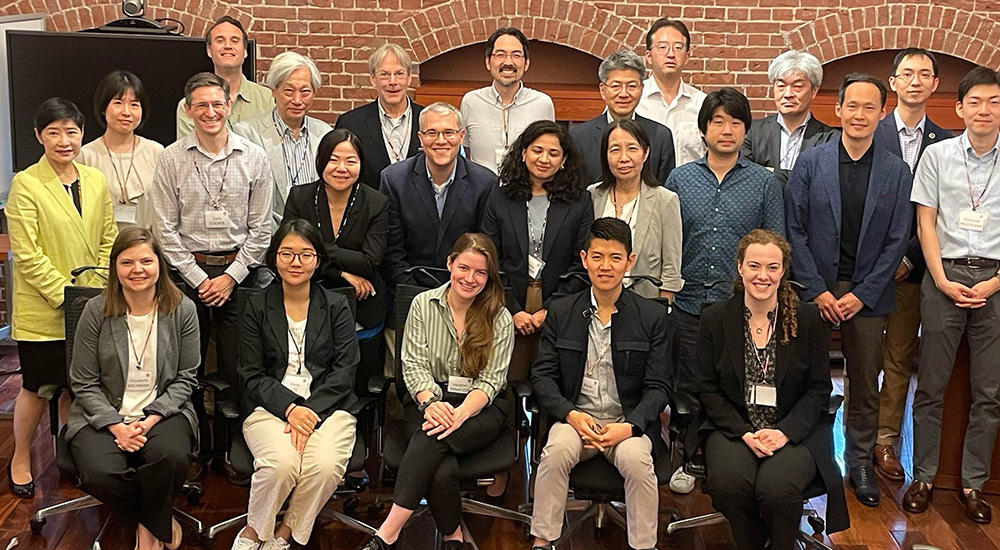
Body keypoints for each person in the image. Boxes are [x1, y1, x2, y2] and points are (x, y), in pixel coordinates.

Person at [785, 73, 913, 508]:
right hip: (813, 290)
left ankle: (859, 461)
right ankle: (806, 456)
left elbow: (898, 239)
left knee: (864, 382)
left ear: (882, 112)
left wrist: (862, 292)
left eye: (869, 107)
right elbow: (794, 229)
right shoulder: (811, 162)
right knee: (805, 378)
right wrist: (817, 290)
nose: (859, 115)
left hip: (868, 293)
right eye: (851, 106)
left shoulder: (896, 171)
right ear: (837, 110)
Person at [359, 233, 515, 550]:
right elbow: (413, 365)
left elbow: (491, 381)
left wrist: (460, 414)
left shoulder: (500, 316)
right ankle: (453, 537)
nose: (471, 279)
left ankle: (386, 534)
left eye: (481, 272)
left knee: (431, 438)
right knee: (441, 470)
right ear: (449, 264)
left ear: (490, 275)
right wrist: (431, 402)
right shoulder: (422, 304)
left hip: (481, 408)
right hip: (428, 401)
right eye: (464, 268)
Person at [695, 229, 849, 550]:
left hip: (794, 429)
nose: (762, 276)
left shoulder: (807, 319)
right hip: (734, 427)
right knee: (728, 485)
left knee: (777, 489)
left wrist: (784, 432)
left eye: (772, 267)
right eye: (754, 266)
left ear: (783, 271)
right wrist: (744, 432)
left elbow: (819, 390)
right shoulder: (715, 319)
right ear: (740, 267)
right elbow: (707, 389)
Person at [665, 87, 784, 494]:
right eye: (718, 121)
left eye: (736, 122)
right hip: (687, 299)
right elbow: (667, 240)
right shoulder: (679, 179)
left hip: (740, 307)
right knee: (687, 383)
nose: (727, 129)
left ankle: (728, 456)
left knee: (731, 383)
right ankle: (689, 454)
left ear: (746, 130)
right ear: (703, 129)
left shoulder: (763, 183)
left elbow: (775, 242)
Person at [529, 217, 670, 550]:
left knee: (638, 462)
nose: (605, 266)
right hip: (577, 419)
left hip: (626, 424)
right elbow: (543, 376)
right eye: (597, 256)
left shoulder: (651, 316)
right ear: (584, 259)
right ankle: (541, 541)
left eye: (615, 258)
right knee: (555, 452)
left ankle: (644, 545)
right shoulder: (561, 311)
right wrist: (571, 415)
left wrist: (631, 426)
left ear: (630, 262)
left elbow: (660, 386)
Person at [903, 66, 1000, 525]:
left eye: (994, 102)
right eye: (975, 102)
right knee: (932, 386)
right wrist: (941, 280)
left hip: (996, 283)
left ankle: (973, 484)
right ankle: (923, 477)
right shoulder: (937, 156)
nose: (984, 110)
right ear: (959, 108)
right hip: (943, 278)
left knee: (989, 392)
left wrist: (994, 284)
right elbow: (926, 222)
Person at [6, 97, 117, 498]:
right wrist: (68, 296)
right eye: (53, 132)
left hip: (91, 301)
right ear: (39, 136)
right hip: (45, 307)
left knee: (79, 385)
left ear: (82, 134)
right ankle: (20, 456)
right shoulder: (26, 182)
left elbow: (109, 236)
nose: (64, 140)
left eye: (71, 131)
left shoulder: (95, 179)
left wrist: (96, 288)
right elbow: (28, 253)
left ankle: (69, 455)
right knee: (38, 385)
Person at [231, 219, 361, 550]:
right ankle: (254, 531)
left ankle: (284, 533)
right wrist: (290, 408)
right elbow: (250, 372)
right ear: (274, 257)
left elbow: (346, 370)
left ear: (318, 260)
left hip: (329, 408)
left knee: (325, 465)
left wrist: (308, 411)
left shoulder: (336, 306)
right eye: (287, 253)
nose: (296, 262)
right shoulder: (256, 305)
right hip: (269, 406)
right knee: (281, 464)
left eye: (305, 254)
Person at [66, 227, 198, 550]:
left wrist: (150, 419)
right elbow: (83, 381)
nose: (137, 270)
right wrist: (117, 427)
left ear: (159, 265)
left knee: (171, 456)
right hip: (103, 414)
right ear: (115, 268)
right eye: (127, 262)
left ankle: (146, 531)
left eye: (145, 261)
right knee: (99, 472)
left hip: (164, 412)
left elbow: (186, 378)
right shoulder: (95, 311)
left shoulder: (183, 310)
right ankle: (158, 521)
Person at [152, 71, 272, 398]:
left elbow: (261, 230)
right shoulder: (170, 159)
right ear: (188, 110)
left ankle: (231, 441)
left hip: (238, 273)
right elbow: (164, 228)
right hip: (184, 275)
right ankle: (192, 438)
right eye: (201, 105)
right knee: (183, 366)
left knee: (239, 366)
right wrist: (199, 280)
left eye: (217, 104)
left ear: (229, 105)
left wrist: (230, 278)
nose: (210, 112)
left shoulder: (254, 157)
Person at [872, 48, 952, 481]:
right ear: (894, 82)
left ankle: (886, 443)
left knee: (899, 358)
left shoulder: (947, 143)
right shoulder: (870, 131)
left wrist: (907, 257)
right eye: (907, 74)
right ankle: (858, 437)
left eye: (925, 74)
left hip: (915, 268)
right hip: (866, 269)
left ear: (936, 85)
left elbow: (942, 212)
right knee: (863, 360)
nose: (916, 81)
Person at [482, 119, 593, 381]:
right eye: (537, 150)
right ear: (523, 153)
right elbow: (489, 257)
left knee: (552, 378)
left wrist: (551, 310)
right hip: (508, 299)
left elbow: (582, 262)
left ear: (564, 159)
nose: (544, 158)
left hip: (560, 300)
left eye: (554, 153)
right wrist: (512, 309)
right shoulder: (500, 197)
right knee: (506, 378)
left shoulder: (580, 201)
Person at [380, 102, 496, 290]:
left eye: (449, 132)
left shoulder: (485, 183)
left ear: (461, 136)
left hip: (466, 290)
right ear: (420, 137)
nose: (441, 140)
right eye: (431, 133)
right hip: (409, 291)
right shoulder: (394, 180)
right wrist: (415, 294)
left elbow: (485, 248)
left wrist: (459, 290)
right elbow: (392, 251)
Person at [283, 129, 389, 331]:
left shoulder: (377, 203)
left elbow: (370, 262)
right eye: (333, 160)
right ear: (321, 161)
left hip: (363, 306)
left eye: (350, 161)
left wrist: (315, 249)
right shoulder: (299, 197)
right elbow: (290, 256)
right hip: (306, 300)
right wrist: (342, 274)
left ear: (361, 164)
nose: (342, 168)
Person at [234, 51, 332, 227]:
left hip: (314, 237)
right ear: (274, 91)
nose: (297, 100)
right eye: (288, 91)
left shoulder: (325, 133)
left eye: (305, 92)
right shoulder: (247, 134)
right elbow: (242, 197)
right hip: (266, 237)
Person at [589, 119, 682, 300]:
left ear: (645, 153)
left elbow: (671, 267)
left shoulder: (665, 200)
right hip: (597, 301)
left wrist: (664, 307)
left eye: (632, 148)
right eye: (615, 149)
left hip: (646, 303)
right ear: (605, 155)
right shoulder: (592, 195)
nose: (624, 158)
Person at [570, 49, 675, 184]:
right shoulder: (579, 137)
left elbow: (665, 193)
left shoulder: (660, 136)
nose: (624, 94)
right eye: (616, 86)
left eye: (631, 86)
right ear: (602, 90)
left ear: (641, 89)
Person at [460, 27, 555, 174]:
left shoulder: (543, 104)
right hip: (482, 192)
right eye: (500, 55)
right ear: (488, 62)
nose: (508, 62)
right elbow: (465, 150)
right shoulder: (471, 102)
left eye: (516, 55)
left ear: (527, 63)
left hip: (524, 189)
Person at [79, 70, 164, 230]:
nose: (126, 112)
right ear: (104, 107)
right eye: (118, 103)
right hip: (102, 249)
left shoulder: (156, 152)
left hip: (146, 247)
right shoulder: (86, 155)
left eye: (134, 104)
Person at [740, 50, 838, 186]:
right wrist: (798, 176)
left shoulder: (829, 138)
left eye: (797, 86)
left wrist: (769, 172)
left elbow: (822, 182)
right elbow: (742, 176)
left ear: (814, 91)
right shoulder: (751, 132)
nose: (788, 94)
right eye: (781, 85)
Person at [335, 43, 424, 190]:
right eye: (385, 74)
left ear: (409, 78)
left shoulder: (427, 120)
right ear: (373, 79)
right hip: (369, 211)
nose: (393, 82)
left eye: (399, 74)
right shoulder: (351, 123)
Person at [175, 16, 274, 139]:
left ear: (245, 51)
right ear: (209, 50)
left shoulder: (267, 99)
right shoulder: (190, 104)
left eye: (234, 40)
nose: (228, 46)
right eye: (220, 40)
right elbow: (189, 153)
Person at [635, 18, 707, 167]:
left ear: (687, 57)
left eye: (678, 47)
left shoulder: (701, 103)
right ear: (648, 56)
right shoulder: (634, 98)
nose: (671, 54)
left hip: (688, 188)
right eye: (662, 47)